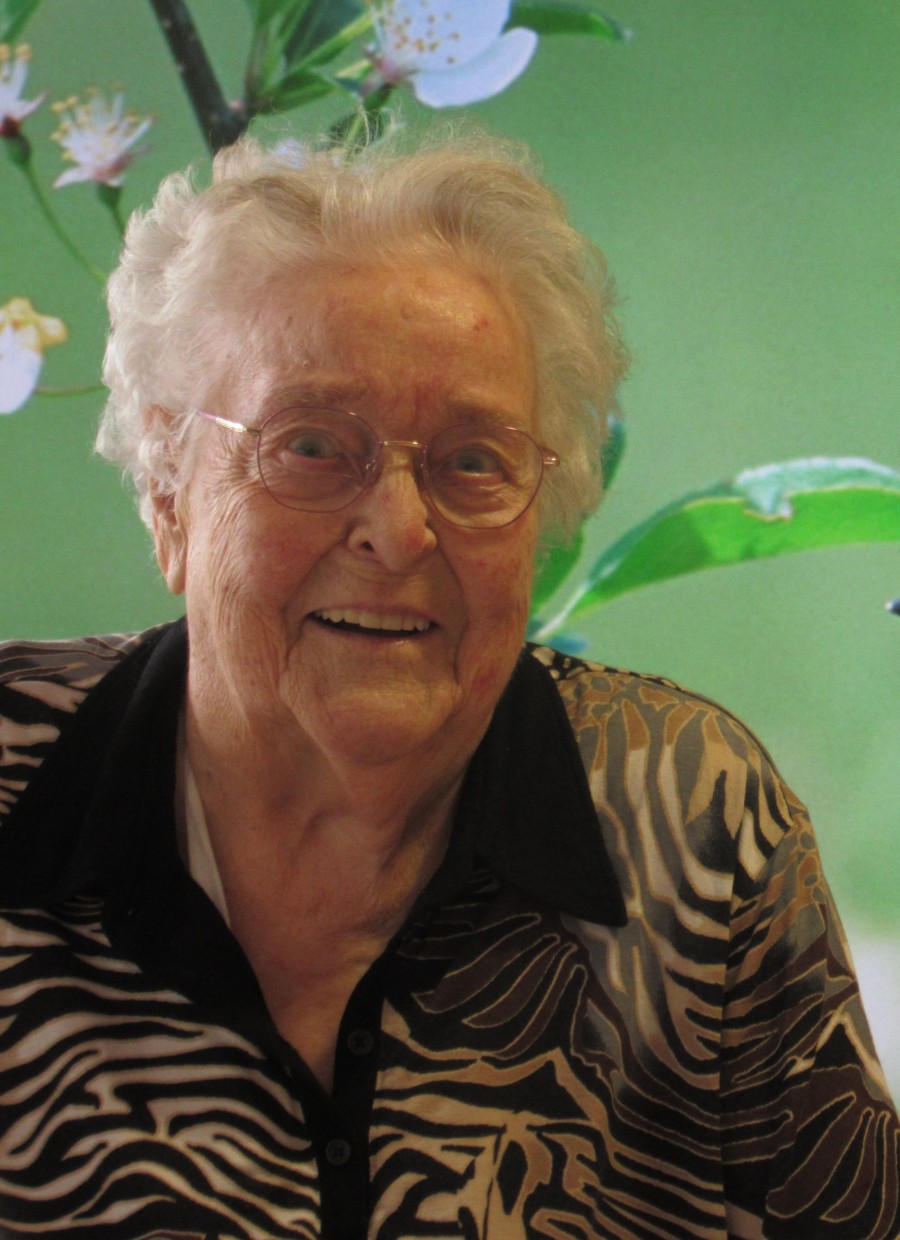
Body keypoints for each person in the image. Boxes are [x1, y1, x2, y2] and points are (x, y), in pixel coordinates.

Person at [0, 131, 896, 1240]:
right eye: (313, 445)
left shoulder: (694, 821)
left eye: (474, 460)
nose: (400, 529)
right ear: (168, 493)